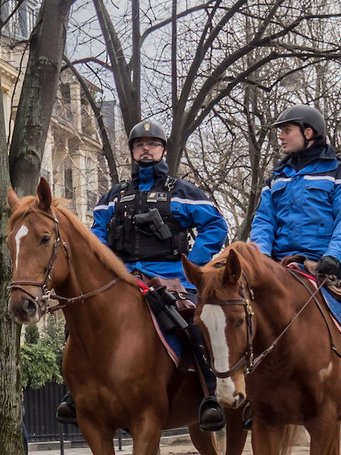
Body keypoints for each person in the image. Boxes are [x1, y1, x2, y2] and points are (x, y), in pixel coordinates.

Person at [63, 119, 230, 429]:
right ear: (133, 151)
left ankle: (210, 394)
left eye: (152, 143)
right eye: (140, 144)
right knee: (78, 320)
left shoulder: (181, 191)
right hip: (123, 278)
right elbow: (95, 235)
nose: (146, 149)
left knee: (195, 324)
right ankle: (75, 394)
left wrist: (190, 265)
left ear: (162, 150)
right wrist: (107, 265)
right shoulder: (114, 195)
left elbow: (216, 226)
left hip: (171, 276)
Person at [247, 104, 341, 410]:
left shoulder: (339, 173)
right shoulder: (277, 176)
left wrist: (333, 254)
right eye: (280, 131)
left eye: (286, 130)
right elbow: (263, 221)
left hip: (329, 262)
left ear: (309, 132)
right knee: (243, 310)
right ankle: (252, 391)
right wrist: (260, 257)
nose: (281, 137)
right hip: (280, 264)